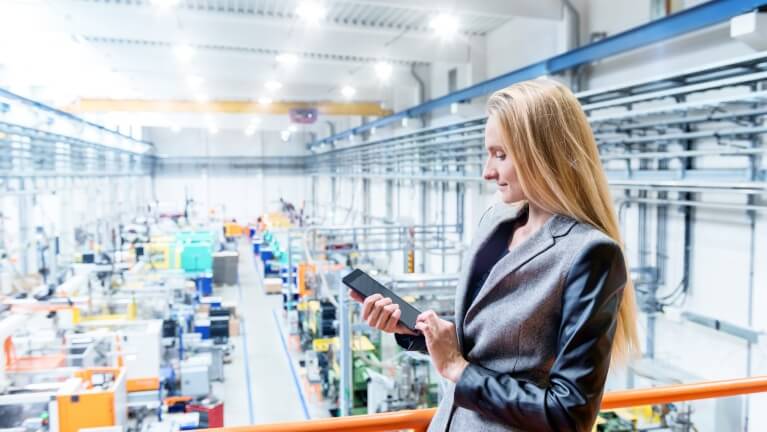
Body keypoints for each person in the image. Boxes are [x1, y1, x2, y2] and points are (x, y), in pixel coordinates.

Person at [349, 78, 638, 432]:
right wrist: (418, 329)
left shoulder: (590, 254)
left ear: (542, 154)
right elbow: (485, 342)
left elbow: (569, 414)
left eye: (500, 155)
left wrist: (458, 368)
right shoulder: (494, 225)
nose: (488, 171)